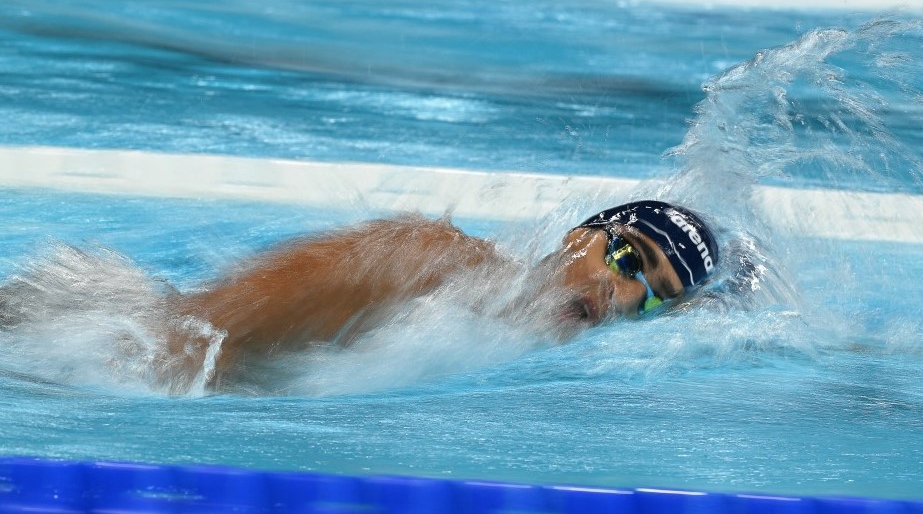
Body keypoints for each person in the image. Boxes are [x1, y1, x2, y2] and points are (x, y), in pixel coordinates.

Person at [148, 199, 720, 390]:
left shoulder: (521, 356)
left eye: (649, 297)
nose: (619, 294)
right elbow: (191, 332)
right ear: (579, 234)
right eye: (626, 258)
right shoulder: (436, 262)